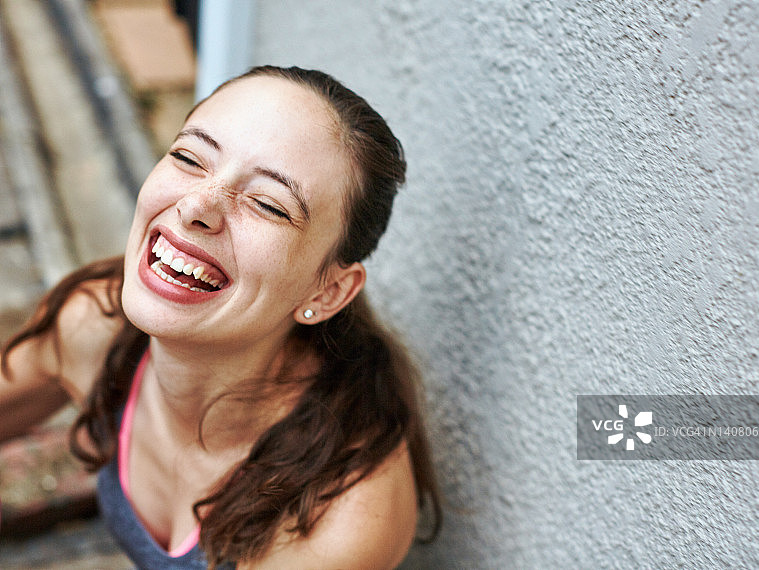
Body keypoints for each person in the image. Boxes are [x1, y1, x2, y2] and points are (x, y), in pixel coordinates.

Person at [0, 65, 441, 569]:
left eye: (269, 205)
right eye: (189, 157)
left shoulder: (339, 518)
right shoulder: (92, 326)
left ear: (330, 290)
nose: (196, 205)